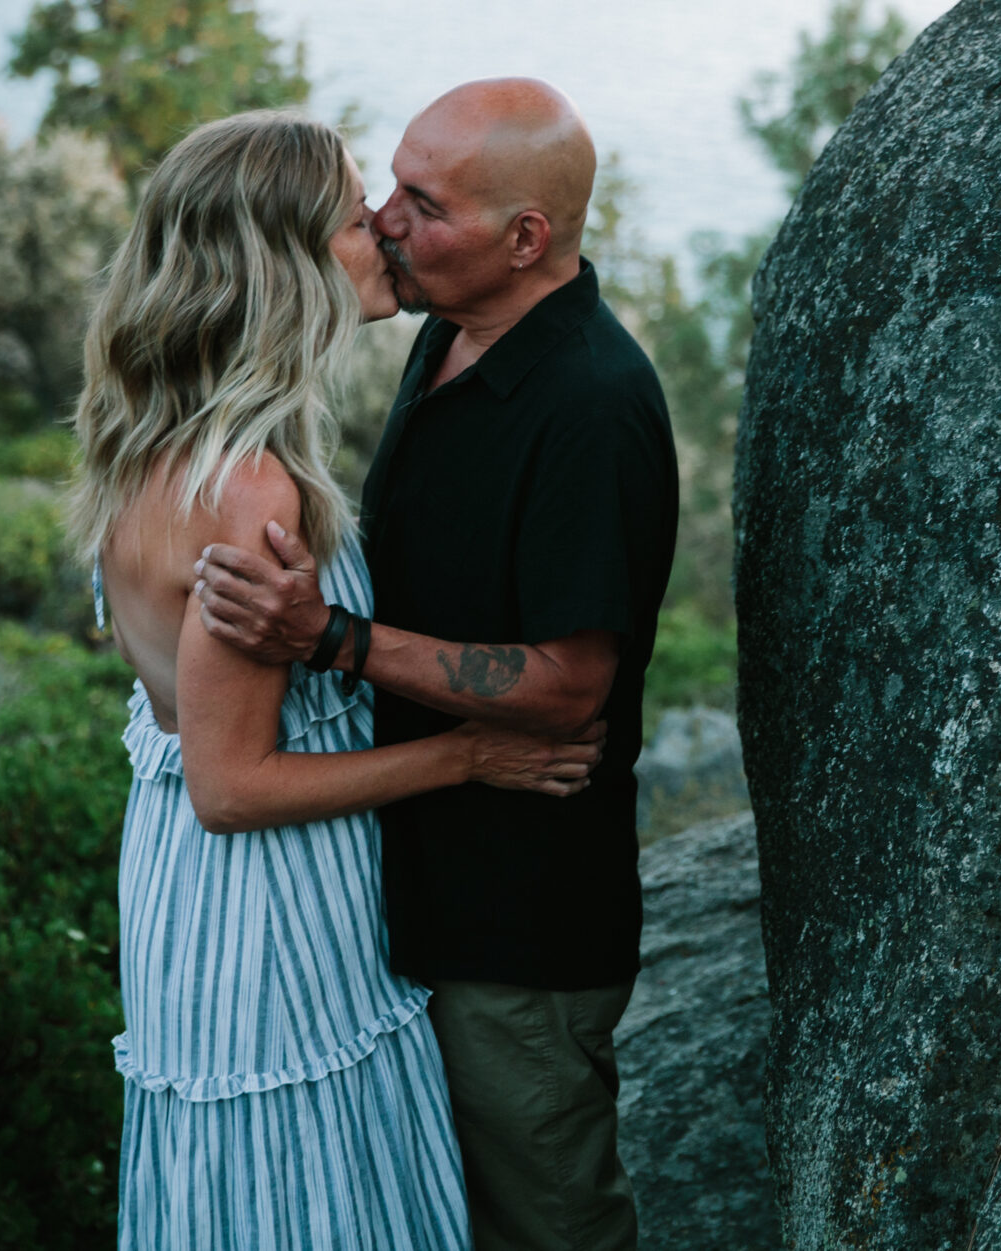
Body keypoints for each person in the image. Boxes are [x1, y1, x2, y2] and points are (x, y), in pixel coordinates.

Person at [72, 110, 607, 1251]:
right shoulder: (250, 492)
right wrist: (469, 754)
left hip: (183, 884)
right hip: (266, 901)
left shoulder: (156, 439)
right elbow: (232, 786)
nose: (381, 231)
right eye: (352, 217)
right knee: (312, 1196)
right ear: (288, 265)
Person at [195, 78, 678, 1251]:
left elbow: (569, 690)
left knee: (544, 1223)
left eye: (422, 202)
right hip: (411, 888)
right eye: (390, 183)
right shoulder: (453, 330)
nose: (381, 221)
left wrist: (328, 638)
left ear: (527, 240)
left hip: (517, 920)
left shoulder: (590, 404)